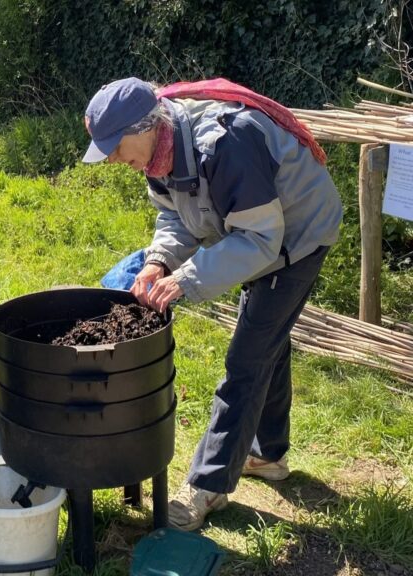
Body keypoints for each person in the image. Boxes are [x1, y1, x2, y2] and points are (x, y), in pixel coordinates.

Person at [81, 77, 342, 531]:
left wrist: (186, 279)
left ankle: (208, 485)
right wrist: (159, 262)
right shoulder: (159, 152)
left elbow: (262, 239)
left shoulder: (226, 142)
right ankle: (268, 455)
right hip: (256, 234)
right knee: (267, 344)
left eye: (117, 146)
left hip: (298, 235)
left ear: (145, 127)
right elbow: (174, 215)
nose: (115, 160)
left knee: (246, 360)